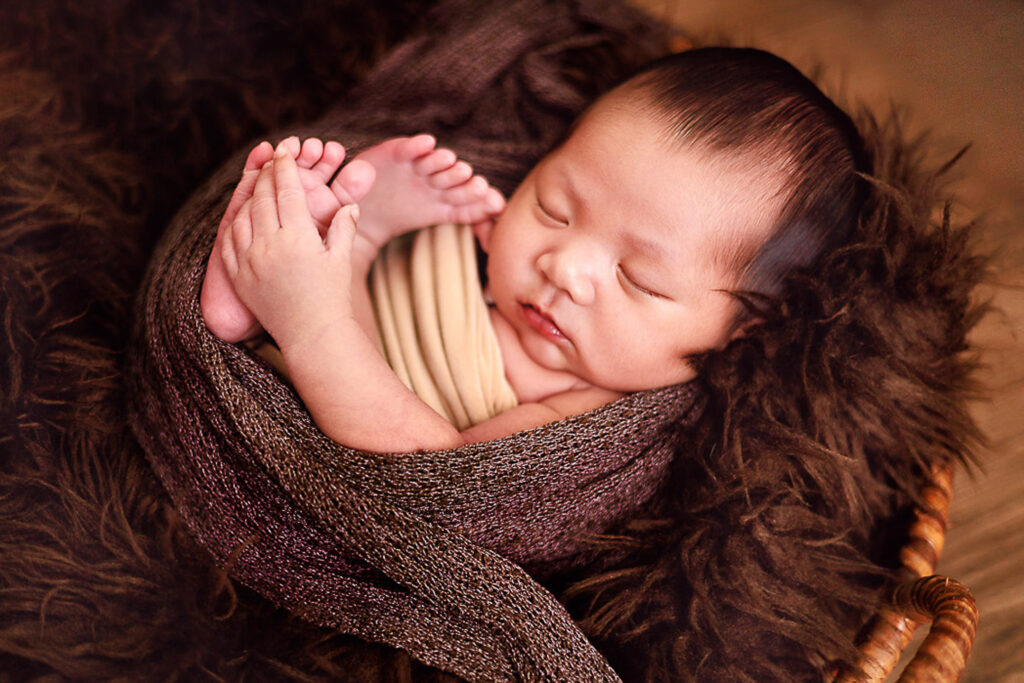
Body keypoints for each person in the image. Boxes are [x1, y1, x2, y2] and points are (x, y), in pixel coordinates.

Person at [201, 47, 866, 453]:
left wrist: (312, 325)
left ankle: (287, 297)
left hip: (342, 393)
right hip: (355, 302)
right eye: (555, 206)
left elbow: (439, 476)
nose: (564, 266)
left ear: (739, 332)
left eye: (638, 278)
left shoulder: (593, 413)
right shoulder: (486, 242)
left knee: (311, 308)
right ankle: (340, 234)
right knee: (385, 242)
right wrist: (375, 233)